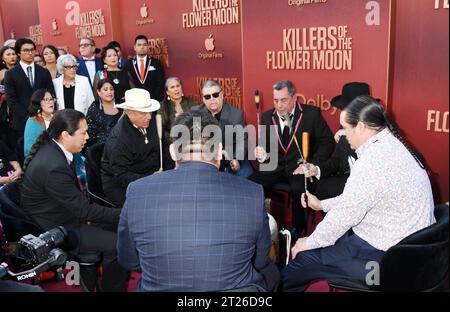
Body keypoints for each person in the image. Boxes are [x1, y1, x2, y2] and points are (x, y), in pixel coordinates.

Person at [281, 95, 436, 292]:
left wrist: (308, 242)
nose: (343, 135)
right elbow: (358, 200)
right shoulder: (393, 145)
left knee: (300, 262)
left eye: (345, 128)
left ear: (361, 127)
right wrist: (322, 205)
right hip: (408, 251)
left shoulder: (372, 162)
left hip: (385, 261)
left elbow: (343, 216)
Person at [117, 110, 278, 291]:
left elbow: (128, 259)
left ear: (172, 152)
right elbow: (261, 259)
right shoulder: (252, 193)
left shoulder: (137, 192)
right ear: (218, 151)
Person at [20, 109, 127, 292]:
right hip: (57, 228)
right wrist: (125, 213)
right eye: (83, 133)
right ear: (65, 135)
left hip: (61, 215)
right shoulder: (53, 166)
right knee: (119, 244)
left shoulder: (54, 149)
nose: (87, 137)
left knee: (116, 226)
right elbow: (84, 211)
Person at [249, 80, 334, 236]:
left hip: (300, 168)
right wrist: (262, 154)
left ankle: (297, 229)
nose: (279, 105)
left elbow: (327, 142)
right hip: (276, 167)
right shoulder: (268, 117)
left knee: (298, 188)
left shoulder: (311, 114)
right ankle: (254, 225)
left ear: (294, 98)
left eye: (284, 100)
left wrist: (312, 164)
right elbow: (265, 149)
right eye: (276, 101)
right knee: (251, 184)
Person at [294, 82, 371, 200]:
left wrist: (350, 134)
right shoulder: (346, 124)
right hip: (348, 177)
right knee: (323, 187)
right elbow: (337, 160)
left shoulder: (380, 129)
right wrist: (317, 169)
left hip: (370, 183)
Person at [101, 88, 161, 207]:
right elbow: (121, 176)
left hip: (151, 174)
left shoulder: (151, 121)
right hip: (122, 185)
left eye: (150, 112)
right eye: (144, 113)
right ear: (129, 113)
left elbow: (162, 149)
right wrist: (150, 179)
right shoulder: (119, 140)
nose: (149, 116)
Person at [192, 80, 253, 177]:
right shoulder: (196, 113)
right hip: (207, 160)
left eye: (215, 95)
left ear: (222, 94)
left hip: (230, 158)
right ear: (203, 99)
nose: (212, 99)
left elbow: (242, 141)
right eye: (207, 97)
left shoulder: (236, 114)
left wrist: (236, 159)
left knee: (245, 177)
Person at [4, 38, 55, 142]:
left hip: (45, 120)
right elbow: (11, 100)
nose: (30, 53)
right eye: (26, 50)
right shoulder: (10, 74)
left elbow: (51, 94)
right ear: (18, 52)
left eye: (32, 50)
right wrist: (29, 119)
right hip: (22, 123)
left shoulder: (44, 72)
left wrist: (42, 116)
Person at [158, 77, 197, 169]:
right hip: (172, 146)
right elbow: (162, 131)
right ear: (167, 92)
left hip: (192, 144)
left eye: (178, 86)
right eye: (172, 87)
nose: (176, 89)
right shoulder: (163, 107)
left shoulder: (192, 103)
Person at [124, 35, 165, 101]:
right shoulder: (128, 64)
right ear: (134, 47)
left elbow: (160, 83)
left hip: (153, 101)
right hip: (135, 101)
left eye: (144, 45)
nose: (142, 47)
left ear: (148, 47)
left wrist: (154, 99)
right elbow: (126, 83)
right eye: (139, 45)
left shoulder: (156, 63)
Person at [86, 78, 123, 148]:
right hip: (102, 149)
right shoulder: (94, 109)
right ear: (99, 92)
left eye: (111, 89)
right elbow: (91, 134)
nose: (109, 92)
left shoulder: (122, 105)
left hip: (123, 146)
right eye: (105, 90)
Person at [23, 89, 55, 156]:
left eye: (51, 99)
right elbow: (29, 149)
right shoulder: (33, 121)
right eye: (46, 99)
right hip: (43, 158)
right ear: (38, 103)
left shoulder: (59, 116)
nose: (51, 102)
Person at [0, 46, 17, 146]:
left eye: (13, 54)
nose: (12, 57)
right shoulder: (2, 73)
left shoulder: (22, 70)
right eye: (8, 54)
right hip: (6, 109)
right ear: (2, 58)